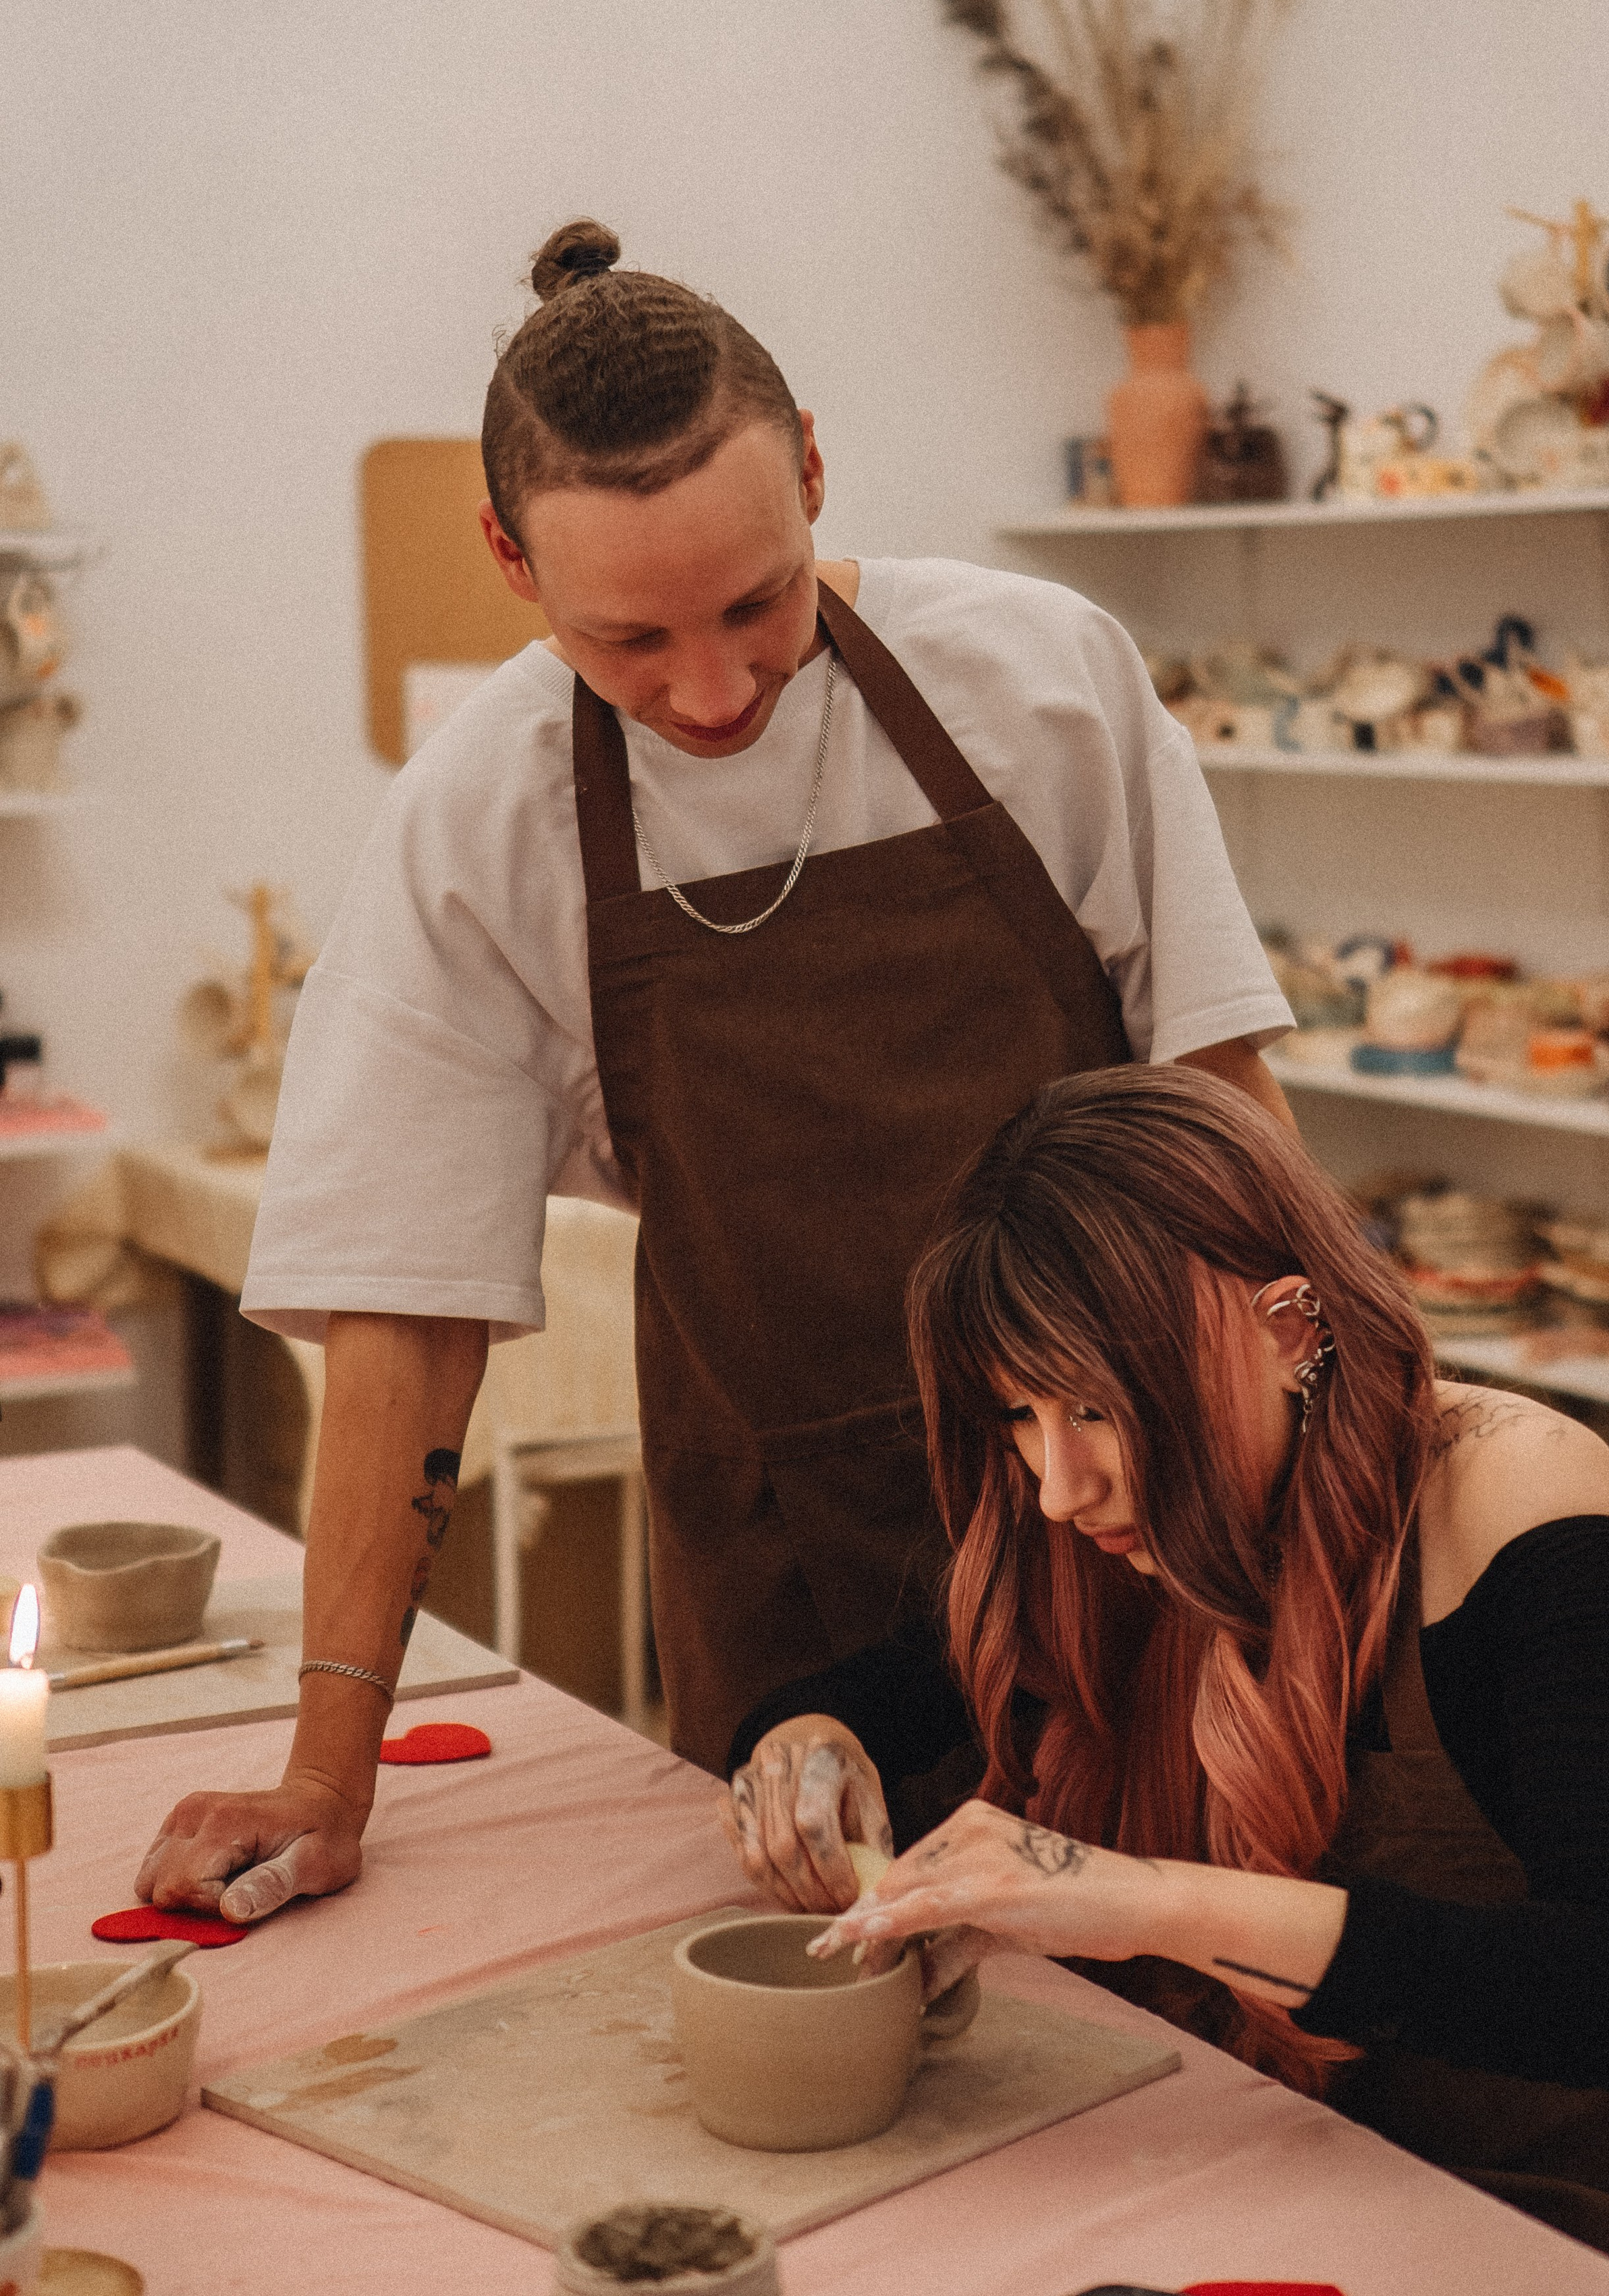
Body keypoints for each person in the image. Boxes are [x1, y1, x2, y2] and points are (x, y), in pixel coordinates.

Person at [133, 219, 1294, 1929]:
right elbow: (406, 1311)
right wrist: (327, 1766)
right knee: (853, 2037)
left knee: (1218, 2013)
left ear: (814, 467)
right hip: (794, 1581)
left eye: (758, 603)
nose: (711, 686)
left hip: (1144, 1512)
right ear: (509, 562)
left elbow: (1224, 1119)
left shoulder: (1041, 684)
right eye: (629, 643)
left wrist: (1347, 1497)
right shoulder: (481, 825)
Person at [722, 1065, 1609, 2294]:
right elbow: (865, 1701)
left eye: (1095, 1406)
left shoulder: (1515, 1500)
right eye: (1019, 1415)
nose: (1057, 1484)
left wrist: (1137, 1898)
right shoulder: (1098, 1532)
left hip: (1539, 2233)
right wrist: (805, 1754)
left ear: (1292, 1328)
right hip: (1237, 2176)